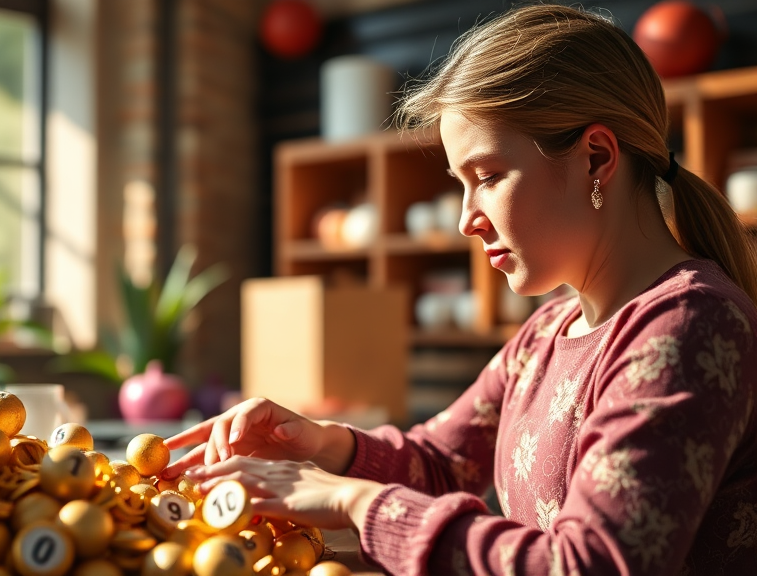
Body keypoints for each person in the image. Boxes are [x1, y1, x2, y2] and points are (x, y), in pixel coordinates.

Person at [161, 4, 757, 575]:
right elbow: (445, 462)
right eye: (461, 184)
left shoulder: (690, 323)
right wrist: (316, 444)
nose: (467, 219)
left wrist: (354, 502)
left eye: (488, 176)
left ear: (596, 157)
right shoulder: (546, 332)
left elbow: (591, 564)